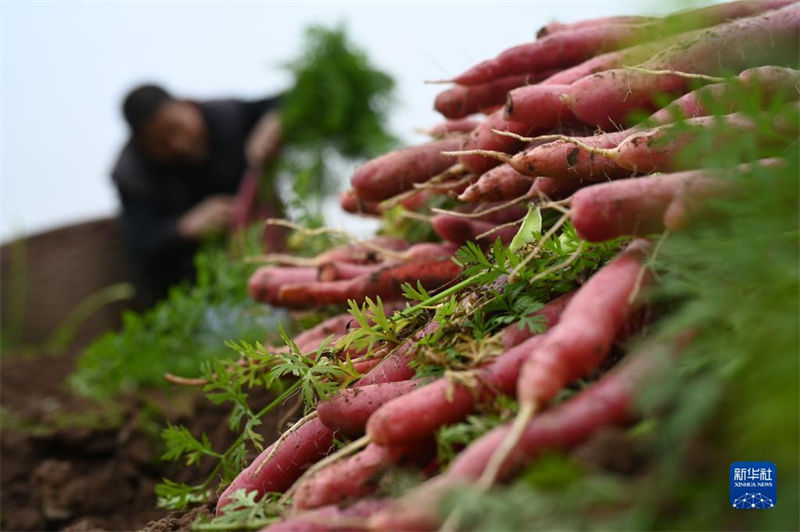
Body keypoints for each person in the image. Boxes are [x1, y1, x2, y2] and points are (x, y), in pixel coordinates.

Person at [111, 84, 282, 304]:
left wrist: (273, 119)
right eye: (160, 143)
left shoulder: (225, 115)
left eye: (176, 129)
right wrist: (184, 228)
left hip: (272, 256)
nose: (178, 145)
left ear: (189, 107)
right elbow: (142, 246)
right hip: (203, 293)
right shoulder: (133, 175)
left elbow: (283, 100)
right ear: (141, 147)